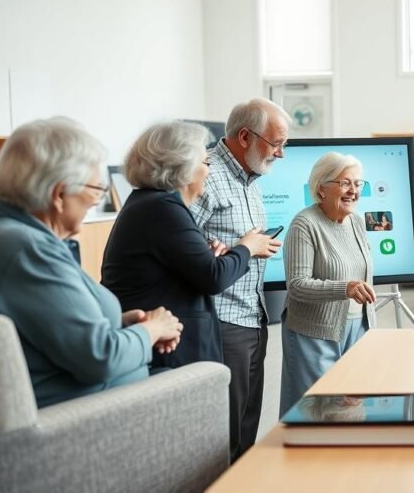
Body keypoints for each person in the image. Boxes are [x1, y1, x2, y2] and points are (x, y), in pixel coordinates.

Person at [0, 117, 182, 408]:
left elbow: (41, 327)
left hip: (68, 408)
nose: (96, 200)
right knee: (205, 377)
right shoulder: (28, 250)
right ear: (59, 194)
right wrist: (151, 330)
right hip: (76, 421)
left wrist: (120, 323)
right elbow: (100, 358)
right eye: (95, 190)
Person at [102, 121, 275, 370]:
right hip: (170, 351)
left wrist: (211, 255)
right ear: (183, 167)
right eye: (205, 162)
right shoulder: (162, 208)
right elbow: (213, 278)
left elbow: (192, 268)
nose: (208, 170)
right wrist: (247, 247)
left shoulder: (150, 203)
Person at [190, 98, 291, 461]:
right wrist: (242, 247)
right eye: (276, 143)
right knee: (225, 432)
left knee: (247, 426)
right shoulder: (206, 175)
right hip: (222, 321)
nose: (280, 154)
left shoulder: (251, 179)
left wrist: (251, 246)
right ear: (245, 136)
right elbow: (183, 245)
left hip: (253, 317)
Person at [279, 152, 377, 417]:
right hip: (315, 332)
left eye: (358, 184)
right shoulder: (305, 223)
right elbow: (297, 285)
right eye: (345, 183)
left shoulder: (356, 222)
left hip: (358, 328)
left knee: (352, 410)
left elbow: (362, 272)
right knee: (313, 412)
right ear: (322, 187)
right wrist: (344, 287)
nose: (353, 191)